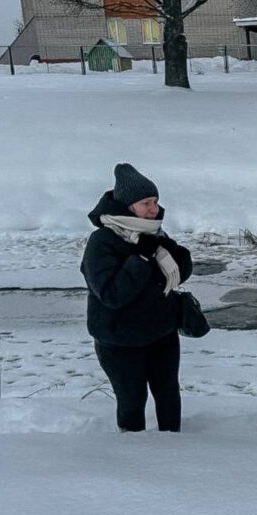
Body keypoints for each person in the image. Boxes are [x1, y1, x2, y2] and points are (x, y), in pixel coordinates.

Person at [81, 163, 193, 432]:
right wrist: (141, 258)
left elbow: (182, 270)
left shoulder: (153, 233)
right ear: (128, 205)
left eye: (155, 201)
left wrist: (170, 252)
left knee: (168, 395)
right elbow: (111, 294)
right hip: (119, 339)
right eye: (146, 203)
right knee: (132, 400)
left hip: (161, 333)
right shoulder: (102, 242)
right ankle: (134, 461)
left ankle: (179, 453)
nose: (154, 209)